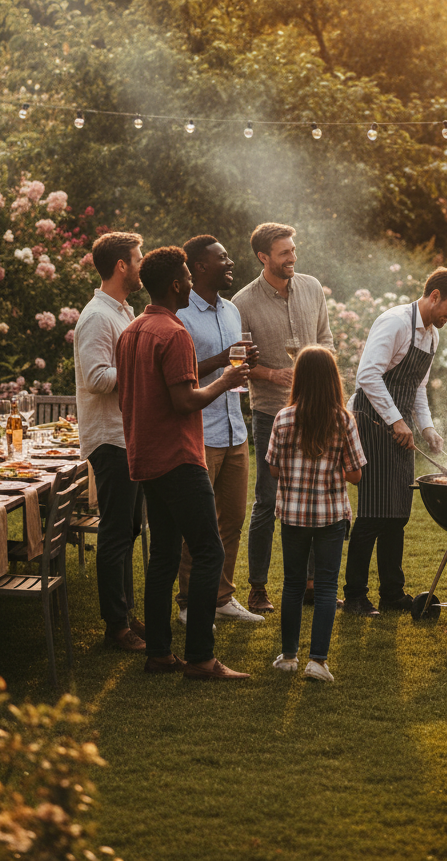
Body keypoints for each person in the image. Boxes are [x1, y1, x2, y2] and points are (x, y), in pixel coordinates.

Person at [117, 246, 251, 681]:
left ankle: (158, 655)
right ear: (176, 285)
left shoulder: (133, 329)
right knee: (209, 549)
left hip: (145, 456)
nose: (193, 282)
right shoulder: (173, 334)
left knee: (163, 556)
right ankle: (200, 659)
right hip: (178, 457)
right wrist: (227, 380)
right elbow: (183, 401)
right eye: (188, 277)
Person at [343, 266, 447, 616]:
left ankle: (392, 594)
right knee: (373, 512)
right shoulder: (396, 322)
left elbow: (417, 387)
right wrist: (397, 421)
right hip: (371, 422)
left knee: (397, 514)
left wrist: (426, 427)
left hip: (399, 428)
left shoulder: (431, 335)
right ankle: (354, 596)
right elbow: (367, 374)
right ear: (434, 296)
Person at [232, 222, 334, 614]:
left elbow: (325, 340)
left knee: (317, 492)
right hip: (271, 411)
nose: (292, 257)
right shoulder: (243, 302)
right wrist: (272, 374)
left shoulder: (311, 287)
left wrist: (317, 371)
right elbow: (237, 361)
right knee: (267, 499)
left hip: (315, 409)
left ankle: (311, 584)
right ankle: (258, 587)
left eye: (293, 250)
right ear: (263, 257)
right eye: (284, 253)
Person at [176, 235, 264, 627]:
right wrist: (225, 362)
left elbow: (233, 366)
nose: (230, 263)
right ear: (198, 266)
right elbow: (180, 372)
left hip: (235, 430)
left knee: (232, 520)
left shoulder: (231, 310)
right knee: (199, 524)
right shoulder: (181, 314)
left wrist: (244, 362)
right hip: (201, 432)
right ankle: (188, 604)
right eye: (222, 258)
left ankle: (221, 597)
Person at [267, 346, 366, 682]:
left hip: (293, 515)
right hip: (330, 516)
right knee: (325, 586)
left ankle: (289, 656)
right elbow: (355, 474)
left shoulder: (283, 418)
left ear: (299, 379)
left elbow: (273, 469)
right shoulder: (343, 420)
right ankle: (318, 662)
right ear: (332, 380)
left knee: (293, 585)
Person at [73, 231, 147, 652]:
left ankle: (123, 612)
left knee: (130, 527)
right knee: (117, 531)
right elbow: (97, 378)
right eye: (137, 259)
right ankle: (115, 627)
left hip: (129, 435)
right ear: (121, 265)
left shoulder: (122, 311)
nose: (141, 266)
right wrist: (142, 368)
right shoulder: (98, 317)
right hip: (110, 439)